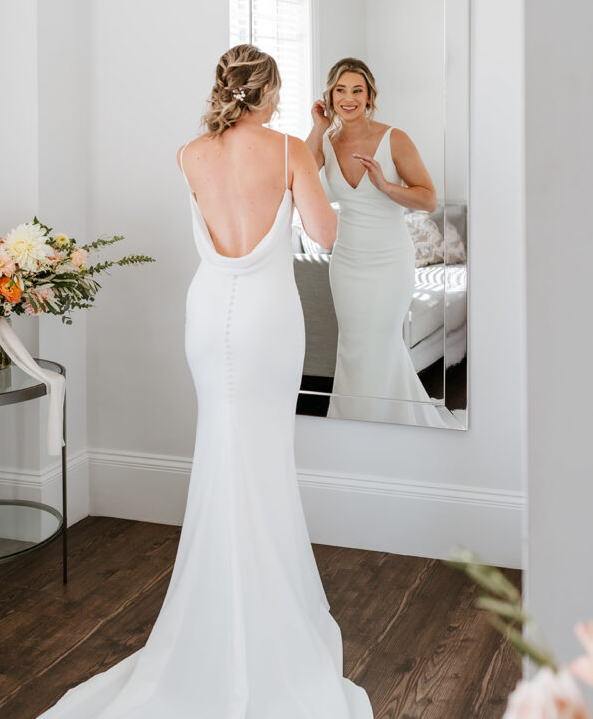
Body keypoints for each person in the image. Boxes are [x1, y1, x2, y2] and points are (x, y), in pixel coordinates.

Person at [36, 44, 373, 718]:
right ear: (267, 90)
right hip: (267, 322)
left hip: (206, 315)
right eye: (277, 90)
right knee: (263, 458)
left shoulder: (191, 154)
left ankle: (219, 601)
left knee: (223, 452)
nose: (281, 100)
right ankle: (260, 606)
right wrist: (314, 153)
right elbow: (324, 232)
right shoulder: (287, 151)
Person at [306, 57, 450, 426]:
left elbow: (428, 199)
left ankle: (387, 426)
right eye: (340, 90)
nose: (349, 98)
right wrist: (318, 126)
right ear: (330, 94)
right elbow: (300, 172)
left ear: (370, 96)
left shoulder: (394, 138)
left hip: (389, 261)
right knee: (354, 346)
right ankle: (353, 426)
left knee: (382, 344)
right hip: (347, 262)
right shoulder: (327, 139)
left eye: (358, 90)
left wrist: (386, 187)